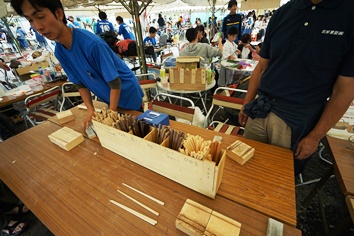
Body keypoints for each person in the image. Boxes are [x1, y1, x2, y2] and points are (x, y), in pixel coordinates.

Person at [238, 0, 354, 175]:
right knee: (245, 170)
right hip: (259, 110)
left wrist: (315, 137)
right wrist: (247, 103)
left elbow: (345, 90)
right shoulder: (283, 12)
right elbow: (262, 66)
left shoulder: (349, 14)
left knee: (278, 181)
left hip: (297, 119)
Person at [11, 0, 144, 130]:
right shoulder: (60, 51)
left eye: (40, 17)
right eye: (30, 20)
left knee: (134, 131)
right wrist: (90, 110)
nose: (38, 26)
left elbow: (115, 83)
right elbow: (80, 83)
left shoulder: (91, 44)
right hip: (111, 99)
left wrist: (110, 114)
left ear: (58, 13)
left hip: (128, 94)